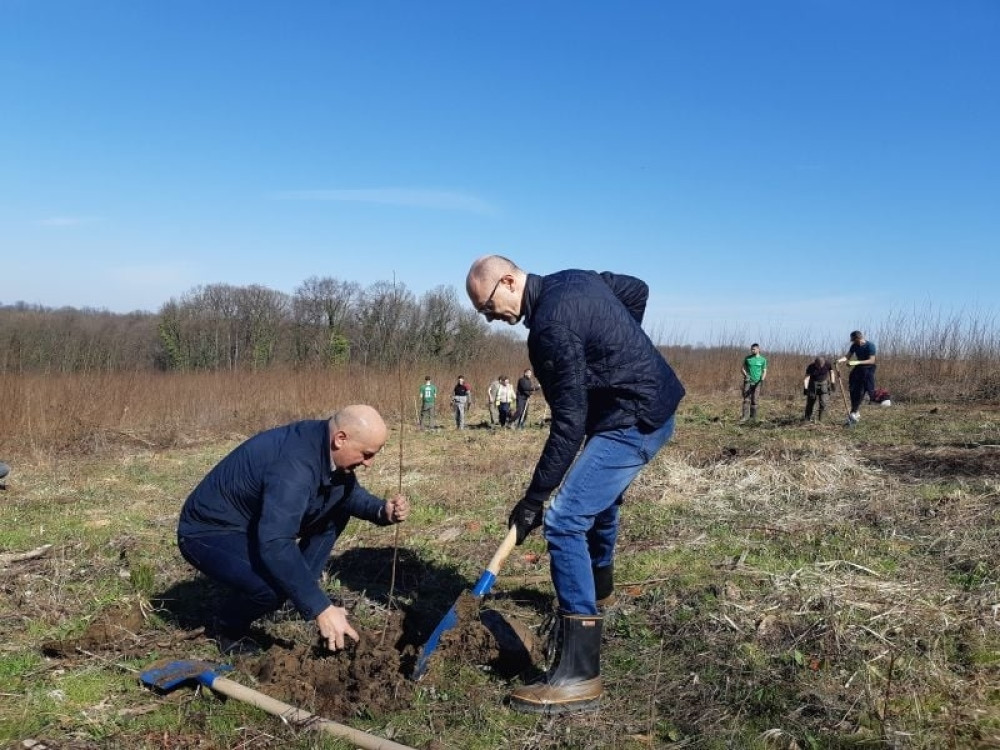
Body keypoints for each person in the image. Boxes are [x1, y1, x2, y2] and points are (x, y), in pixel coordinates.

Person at [466, 255, 685, 715]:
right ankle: (599, 589)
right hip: (654, 403)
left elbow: (569, 423)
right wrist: (616, 356)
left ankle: (578, 676)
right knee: (598, 501)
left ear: (507, 281)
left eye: (487, 306)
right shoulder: (575, 280)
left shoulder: (549, 329)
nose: (490, 319)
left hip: (635, 421)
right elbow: (637, 288)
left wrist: (534, 499)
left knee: (565, 518)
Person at [177, 405, 410, 655]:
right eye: (366, 454)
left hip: (255, 525)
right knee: (269, 587)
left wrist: (381, 510)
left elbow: (346, 493)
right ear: (340, 439)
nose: (369, 464)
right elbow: (275, 543)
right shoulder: (294, 467)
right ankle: (227, 628)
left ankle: (298, 591)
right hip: (208, 531)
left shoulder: (325, 447)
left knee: (336, 511)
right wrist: (321, 608)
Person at [837, 330, 877, 425]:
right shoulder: (854, 346)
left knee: (861, 391)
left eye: (854, 340)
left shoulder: (870, 346)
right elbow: (847, 357)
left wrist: (857, 362)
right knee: (853, 388)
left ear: (859, 338)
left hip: (868, 369)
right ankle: (855, 410)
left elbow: (872, 361)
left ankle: (854, 411)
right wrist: (838, 361)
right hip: (858, 369)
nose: (853, 342)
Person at [803, 356, 836, 423]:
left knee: (823, 403)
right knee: (810, 403)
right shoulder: (811, 367)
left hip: (824, 384)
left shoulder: (828, 364)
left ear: (823, 363)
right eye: (818, 365)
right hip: (813, 384)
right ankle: (807, 419)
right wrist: (805, 388)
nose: (819, 367)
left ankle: (820, 420)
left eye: (821, 365)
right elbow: (806, 378)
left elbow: (831, 372)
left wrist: (833, 383)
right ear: (815, 363)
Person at [740, 343, 767, 421]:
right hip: (748, 382)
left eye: (754, 349)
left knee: (754, 400)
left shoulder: (763, 360)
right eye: (751, 349)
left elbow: (764, 371)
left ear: (758, 349)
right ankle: (745, 417)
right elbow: (742, 369)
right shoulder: (747, 358)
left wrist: (762, 379)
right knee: (746, 399)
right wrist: (746, 375)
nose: (752, 350)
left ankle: (753, 418)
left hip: (757, 382)